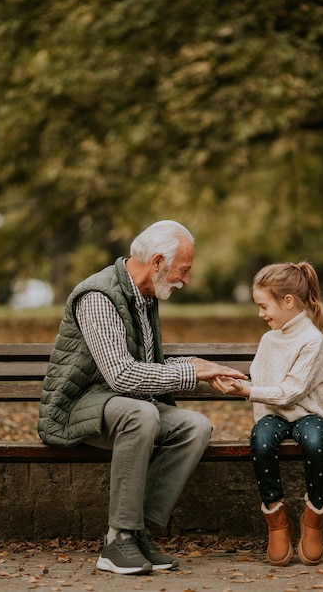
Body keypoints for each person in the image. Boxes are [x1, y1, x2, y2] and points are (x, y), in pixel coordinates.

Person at [38, 220, 246, 576]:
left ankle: (138, 532)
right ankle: (117, 540)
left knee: (196, 426)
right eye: (184, 270)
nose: (186, 280)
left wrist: (202, 368)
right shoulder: (99, 296)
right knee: (142, 415)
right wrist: (193, 371)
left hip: (122, 405)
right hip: (77, 407)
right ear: (158, 262)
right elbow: (121, 374)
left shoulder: (144, 296)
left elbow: (147, 366)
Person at [211, 261, 323, 567]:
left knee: (316, 442)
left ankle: (314, 517)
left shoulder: (312, 341)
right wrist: (238, 384)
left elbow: (292, 391)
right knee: (262, 439)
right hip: (273, 414)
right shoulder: (269, 340)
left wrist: (248, 391)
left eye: (264, 306)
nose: (261, 314)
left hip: (309, 413)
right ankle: (276, 520)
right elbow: (262, 384)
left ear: (288, 301)